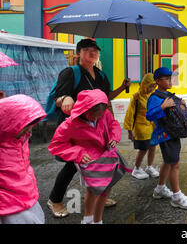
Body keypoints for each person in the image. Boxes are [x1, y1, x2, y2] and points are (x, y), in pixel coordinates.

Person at [47, 38, 130, 217]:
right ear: (79, 53)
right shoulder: (70, 73)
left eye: (95, 50)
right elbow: (58, 97)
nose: (92, 53)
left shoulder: (100, 74)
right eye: (87, 50)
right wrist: (65, 99)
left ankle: (97, 193)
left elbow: (107, 97)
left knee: (99, 163)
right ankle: (55, 200)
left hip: (97, 127)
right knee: (71, 165)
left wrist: (123, 87)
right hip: (75, 129)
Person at [48, 89, 123, 224]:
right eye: (93, 116)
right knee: (93, 189)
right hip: (88, 160)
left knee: (107, 187)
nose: (96, 118)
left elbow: (113, 124)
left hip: (106, 155)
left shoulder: (104, 114)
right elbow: (56, 145)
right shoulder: (70, 124)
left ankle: (97, 220)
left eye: (99, 116)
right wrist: (78, 153)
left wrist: (114, 136)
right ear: (84, 110)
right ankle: (88, 218)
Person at [146, 67, 187, 209]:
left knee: (168, 162)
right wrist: (162, 106)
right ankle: (177, 196)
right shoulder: (155, 97)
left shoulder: (167, 94)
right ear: (158, 81)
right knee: (175, 164)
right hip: (165, 135)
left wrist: (181, 103)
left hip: (172, 133)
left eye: (171, 78)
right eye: (167, 78)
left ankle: (160, 188)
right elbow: (149, 115)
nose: (170, 81)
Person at [0, 94, 47, 224]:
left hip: (26, 195)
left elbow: (24, 165)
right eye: (25, 127)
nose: (29, 130)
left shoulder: (20, 139)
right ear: (8, 122)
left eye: (30, 126)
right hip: (8, 206)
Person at [123, 73, 160, 179]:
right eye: (150, 86)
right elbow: (130, 114)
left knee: (153, 147)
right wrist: (130, 131)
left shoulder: (152, 96)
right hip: (141, 128)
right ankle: (136, 168)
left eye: (154, 86)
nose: (152, 88)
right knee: (143, 149)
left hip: (152, 127)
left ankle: (149, 167)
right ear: (144, 85)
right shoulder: (136, 97)